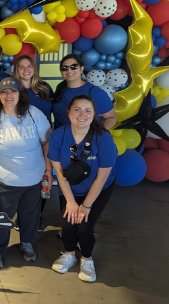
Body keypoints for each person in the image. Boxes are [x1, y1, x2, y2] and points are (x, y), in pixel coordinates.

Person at [0, 77, 51, 269]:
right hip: (4, 178)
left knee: (29, 215)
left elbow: (47, 143)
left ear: (21, 94)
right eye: (4, 92)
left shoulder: (34, 114)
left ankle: (26, 243)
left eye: (13, 91)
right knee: (2, 216)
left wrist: (48, 171)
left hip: (33, 178)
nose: (8, 95)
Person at [48, 95, 116, 283]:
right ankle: (69, 254)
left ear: (94, 115)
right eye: (77, 109)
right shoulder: (58, 135)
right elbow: (60, 173)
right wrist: (70, 201)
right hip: (69, 187)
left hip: (98, 188)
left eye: (88, 110)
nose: (82, 114)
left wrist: (85, 206)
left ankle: (86, 259)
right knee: (68, 223)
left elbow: (102, 177)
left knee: (85, 225)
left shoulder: (103, 139)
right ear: (68, 113)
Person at [16, 54, 54, 232]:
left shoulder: (45, 88)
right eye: (21, 67)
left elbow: (55, 113)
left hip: (44, 142)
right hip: (21, 143)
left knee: (44, 179)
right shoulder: (12, 90)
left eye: (29, 66)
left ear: (34, 68)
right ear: (17, 70)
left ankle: (38, 215)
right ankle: (22, 215)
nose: (26, 70)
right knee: (23, 180)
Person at [51, 54, 116, 129]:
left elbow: (111, 118)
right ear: (61, 71)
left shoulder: (95, 93)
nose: (69, 70)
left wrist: (96, 136)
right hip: (60, 138)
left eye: (74, 67)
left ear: (81, 69)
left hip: (85, 139)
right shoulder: (60, 88)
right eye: (64, 68)